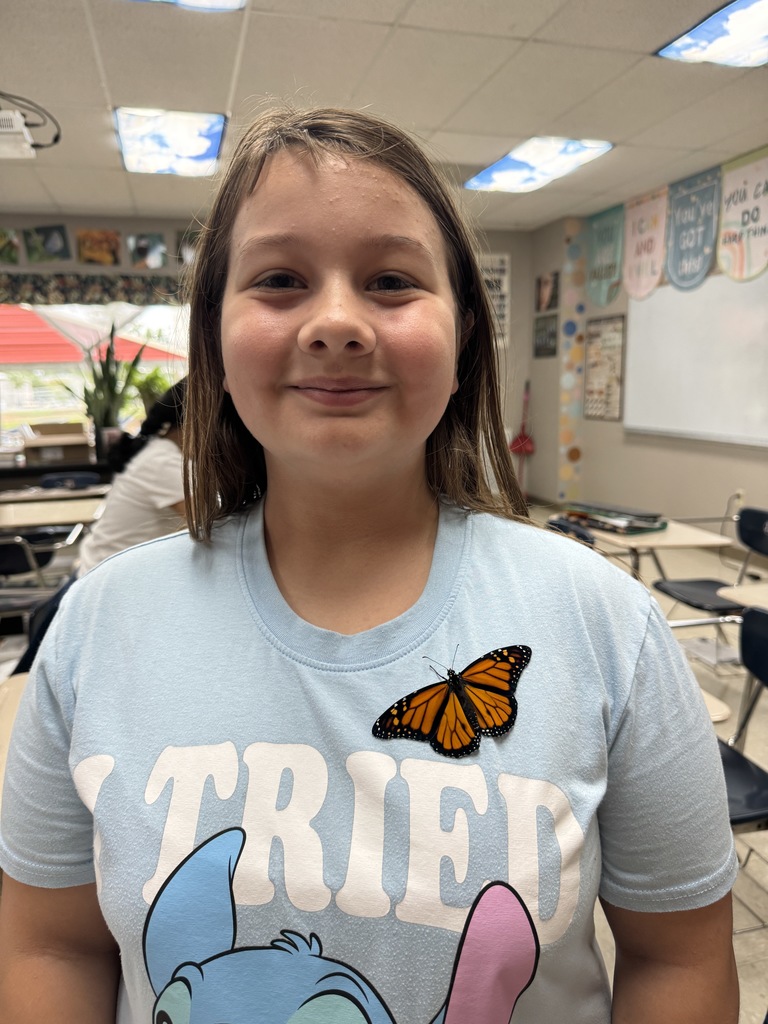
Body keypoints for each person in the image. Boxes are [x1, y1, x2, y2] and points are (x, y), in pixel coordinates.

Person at [0, 107, 738, 1024]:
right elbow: (50, 942)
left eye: (391, 280)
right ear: (215, 341)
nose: (337, 323)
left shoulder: (609, 625)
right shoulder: (96, 628)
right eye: (279, 280)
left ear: (465, 332)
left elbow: (679, 960)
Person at [10, 379, 187, 676]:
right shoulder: (163, 461)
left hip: (99, 576)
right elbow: (210, 525)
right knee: (29, 686)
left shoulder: (161, 452)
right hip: (100, 589)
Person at [75, 377, 187, 577]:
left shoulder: (161, 450)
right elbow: (208, 530)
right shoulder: (162, 462)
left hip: (108, 567)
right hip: (107, 578)